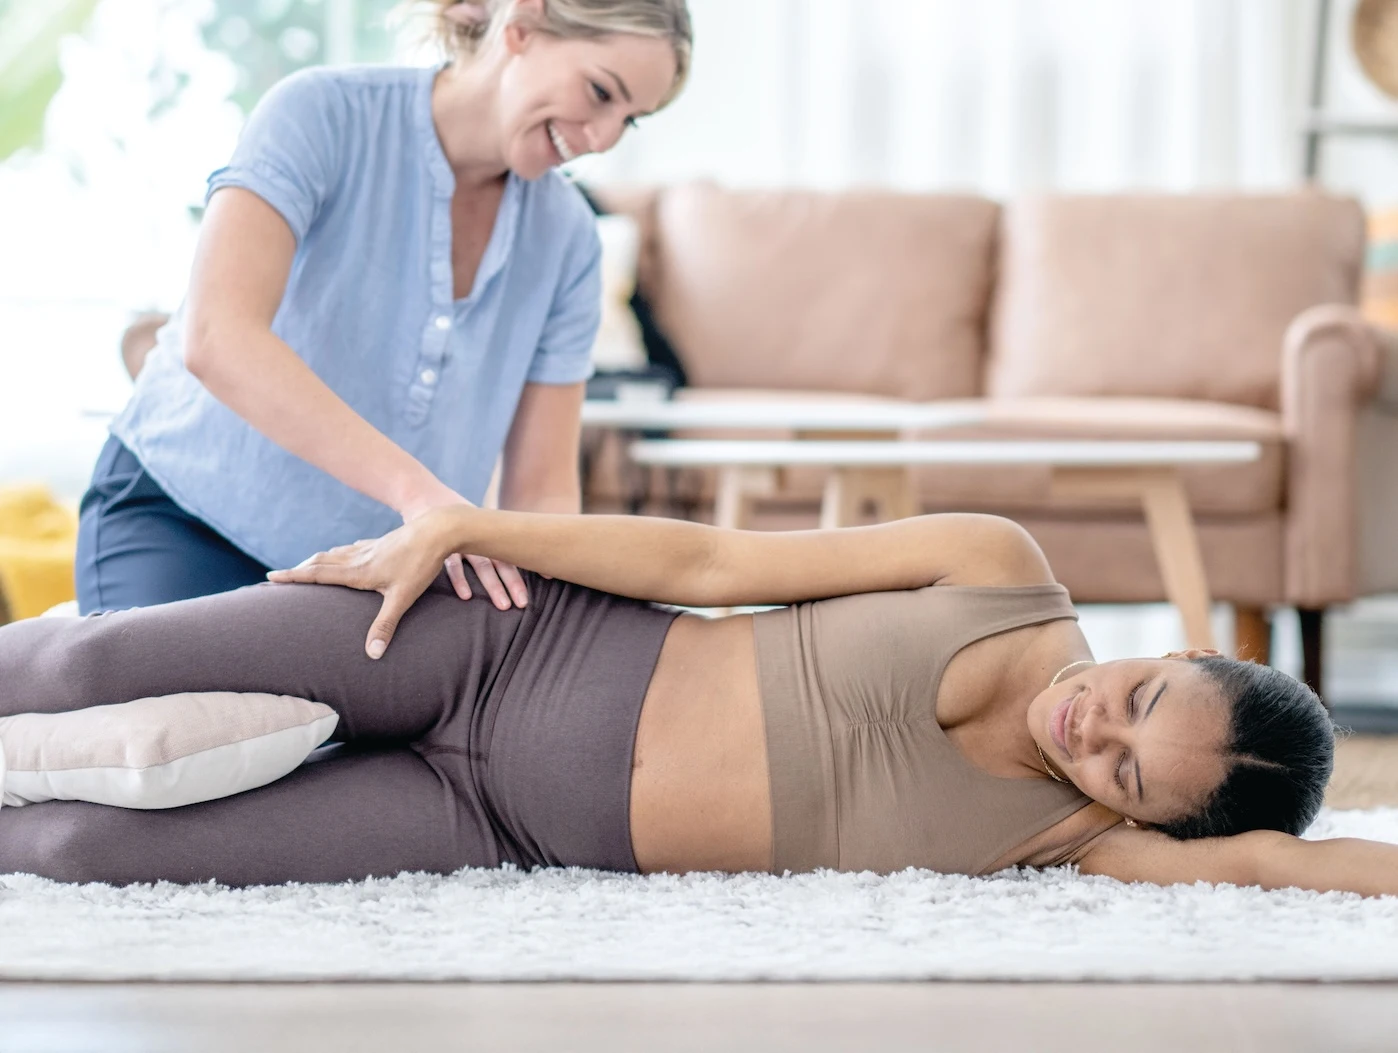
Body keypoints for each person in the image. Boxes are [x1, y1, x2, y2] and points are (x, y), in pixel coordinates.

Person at [6, 509, 1392, 897]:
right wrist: (463, 525)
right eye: (1140, 693)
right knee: (77, 669)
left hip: (491, 822)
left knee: (83, 851)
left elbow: (1295, 860)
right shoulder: (998, 573)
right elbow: (712, 562)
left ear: (1138, 819)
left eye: (1130, 771)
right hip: (501, 644)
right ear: (1168, 648)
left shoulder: (1074, 845)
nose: (1095, 729)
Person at [74, 0, 691, 615]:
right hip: (180, 517)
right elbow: (218, 337)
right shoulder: (320, 114)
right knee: (192, 711)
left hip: (371, 576)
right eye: (600, 92)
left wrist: (560, 624)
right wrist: (423, 499)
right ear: (523, 26)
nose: (605, 139)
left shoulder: (569, 239)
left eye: (631, 120)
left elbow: (543, 495)